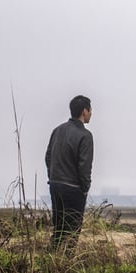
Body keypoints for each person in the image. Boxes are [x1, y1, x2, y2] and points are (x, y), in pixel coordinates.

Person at [46, 95, 94, 246]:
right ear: (84, 111)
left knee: (58, 230)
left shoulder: (57, 130)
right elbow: (84, 166)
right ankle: (66, 266)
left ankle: (52, 263)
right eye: (90, 110)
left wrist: (53, 177)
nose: (91, 113)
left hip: (55, 185)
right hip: (73, 189)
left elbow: (48, 157)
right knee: (72, 232)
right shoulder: (85, 135)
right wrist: (85, 188)